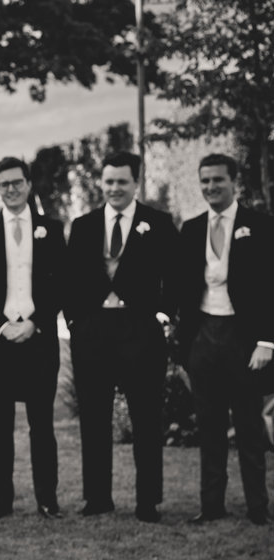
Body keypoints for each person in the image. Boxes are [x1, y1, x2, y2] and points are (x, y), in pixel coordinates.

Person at [64, 151, 178, 523]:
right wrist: (77, 323)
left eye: (122, 182)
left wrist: (164, 314)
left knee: (146, 419)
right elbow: (70, 281)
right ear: (102, 182)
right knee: (94, 419)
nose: (114, 188)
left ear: (135, 183)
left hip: (140, 331)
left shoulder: (158, 223)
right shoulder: (83, 225)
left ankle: (148, 501)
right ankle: (98, 497)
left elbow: (176, 276)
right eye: (109, 181)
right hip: (93, 333)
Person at [176, 153, 272, 525]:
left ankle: (257, 508)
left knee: (249, 428)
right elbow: (183, 287)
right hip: (204, 338)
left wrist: (267, 340)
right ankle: (211, 505)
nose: (211, 187)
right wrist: (185, 346)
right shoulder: (192, 227)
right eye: (205, 181)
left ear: (234, 182)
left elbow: (270, 288)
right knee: (210, 428)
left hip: (243, 339)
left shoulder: (261, 226)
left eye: (218, 180)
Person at [0, 158, 66, 520]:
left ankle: (47, 498)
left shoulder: (51, 229)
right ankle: (2, 498)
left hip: (39, 339)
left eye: (16, 182)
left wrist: (36, 323)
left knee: (42, 425)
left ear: (29, 184)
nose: (10, 189)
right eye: (4, 183)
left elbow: (62, 282)